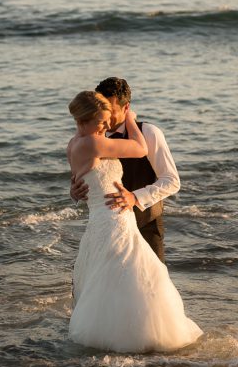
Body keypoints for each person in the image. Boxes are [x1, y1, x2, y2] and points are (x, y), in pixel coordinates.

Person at [66, 90, 202, 353]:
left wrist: (74, 193)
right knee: (133, 279)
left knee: (123, 279)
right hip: (114, 219)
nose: (106, 125)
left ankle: (116, 337)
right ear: (86, 118)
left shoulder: (75, 143)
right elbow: (139, 149)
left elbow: (84, 184)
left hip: (111, 220)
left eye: (109, 116)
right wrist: (131, 119)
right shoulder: (95, 143)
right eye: (101, 120)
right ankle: (136, 340)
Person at [70, 77, 180, 264]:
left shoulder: (149, 133)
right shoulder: (92, 136)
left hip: (146, 224)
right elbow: (85, 176)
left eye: (111, 111)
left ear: (126, 107)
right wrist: (74, 192)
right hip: (107, 228)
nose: (105, 118)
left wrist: (135, 197)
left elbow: (171, 181)